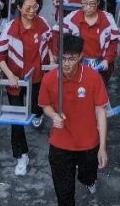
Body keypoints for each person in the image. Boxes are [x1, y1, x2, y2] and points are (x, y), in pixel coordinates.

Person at [38, 34, 109, 206]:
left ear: (80, 56)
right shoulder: (49, 79)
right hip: (60, 144)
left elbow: (100, 111)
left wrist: (102, 148)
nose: (67, 63)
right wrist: (54, 115)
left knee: (88, 176)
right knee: (64, 195)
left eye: (71, 58)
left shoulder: (93, 77)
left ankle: (89, 180)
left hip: (88, 143)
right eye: (63, 58)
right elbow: (45, 105)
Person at [0, 0, 53, 177]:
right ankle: (21, 155)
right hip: (15, 80)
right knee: (16, 120)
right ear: (19, 8)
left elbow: (49, 41)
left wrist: (50, 59)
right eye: (27, 7)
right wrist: (10, 74)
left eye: (35, 7)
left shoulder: (42, 23)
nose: (31, 11)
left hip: (36, 78)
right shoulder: (11, 28)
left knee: (36, 107)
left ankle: (37, 113)